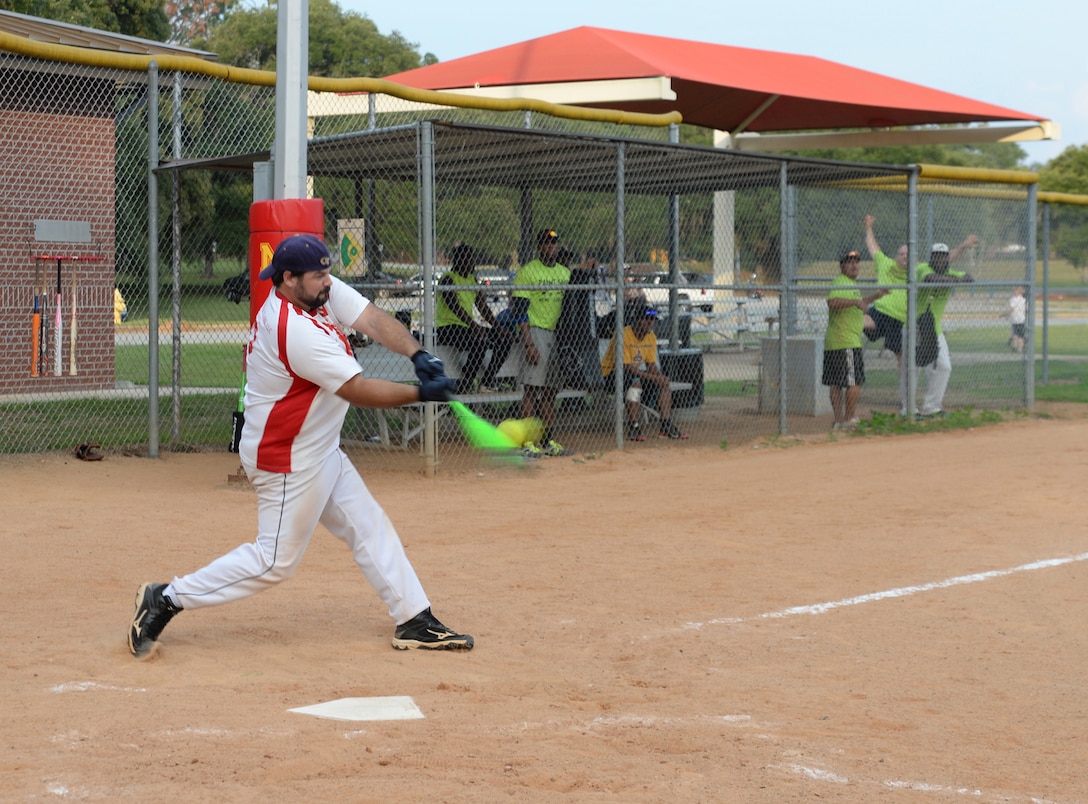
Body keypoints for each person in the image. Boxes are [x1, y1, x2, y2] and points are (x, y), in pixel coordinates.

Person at [127, 234, 472, 660]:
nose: (328, 282)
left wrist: (419, 354)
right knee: (274, 562)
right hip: (288, 457)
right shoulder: (292, 330)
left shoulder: (316, 294)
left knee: (367, 524)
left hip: (318, 445)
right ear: (289, 279)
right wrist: (421, 394)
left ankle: (414, 618)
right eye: (318, 276)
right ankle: (167, 598)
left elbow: (372, 320)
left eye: (328, 273)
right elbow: (356, 389)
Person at [510, 228, 571, 456]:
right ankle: (527, 442)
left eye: (554, 243)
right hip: (535, 332)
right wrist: (529, 344)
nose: (551, 247)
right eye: (546, 243)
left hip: (557, 334)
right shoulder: (527, 272)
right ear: (539, 246)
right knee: (532, 388)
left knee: (549, 391)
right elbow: (520, 311)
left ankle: (546, 440)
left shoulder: (565, 273)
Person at [600, 302, 689, 440]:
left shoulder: (651, 337)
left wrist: (660, 377)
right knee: (635, 383)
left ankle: (665, 425)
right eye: (647, 319)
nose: (650, 323)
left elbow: (651, 365)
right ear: (637, 320)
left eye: (653, 320)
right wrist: (653, 378)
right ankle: (634, 426)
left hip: (633, 374)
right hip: (610, 375)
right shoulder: (624, 334)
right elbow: (626, 367)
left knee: (663, 383)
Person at [823, 250, 888, 430]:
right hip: (846, 342)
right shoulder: (840, 283)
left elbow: (859, 304)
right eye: (850, 262)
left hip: (836, 341)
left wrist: (876, 296)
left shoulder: (850, 285)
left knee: (836, 382)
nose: (854, 265)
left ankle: (838, 422)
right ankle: (849, 419)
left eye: (857, 262)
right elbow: (833, 302)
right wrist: (855, 303)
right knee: (854, 382)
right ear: (842, 266)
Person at [914, 237, 978, 417]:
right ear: (931, 258)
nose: (941, 260)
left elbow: (969, 277)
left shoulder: (951, 272)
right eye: (937, 256)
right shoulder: (922, 269)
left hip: (935, 329)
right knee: (914, 368)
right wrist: (954, 280)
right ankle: (909, 410)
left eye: (944, 256)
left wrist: (954, 278)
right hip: (916, 327)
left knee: (944, 366)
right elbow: (931, 279)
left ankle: (931, 407)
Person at [435, 242, 511, 392]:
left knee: (505, 339)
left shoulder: (472, 279)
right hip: (447, 328)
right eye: (467, 258)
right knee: (480, 339)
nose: (471, 262)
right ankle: (466, 383)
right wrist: (475, 326)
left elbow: (482, 307)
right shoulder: (448, 278)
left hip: (467, 327)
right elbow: (455, 307)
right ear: (457, 260)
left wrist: (498, 328)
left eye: (472, 258)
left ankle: (488, 381)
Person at [863, 215, 911, 413]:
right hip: (880, 313)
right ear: (896, 256)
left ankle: (906, 402)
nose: (904, 257)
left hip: (899, 321)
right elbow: (873, 247)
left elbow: (944, 260)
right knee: (857, 320)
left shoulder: (915, 272)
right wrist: (868, 227)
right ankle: (844, 352)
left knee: (902, 360)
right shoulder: (885, 264)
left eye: (908, 255)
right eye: (901, 254)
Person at [1008, 285, 1026, 353]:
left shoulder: (1012, 299)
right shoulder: (1024, 300)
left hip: (1015, 319)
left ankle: (1015, 346)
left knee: (1015, 334)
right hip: (1021, 319)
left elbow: (1012, 308)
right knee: (1020, 335)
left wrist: (1007, 314)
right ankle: (1019, 348)